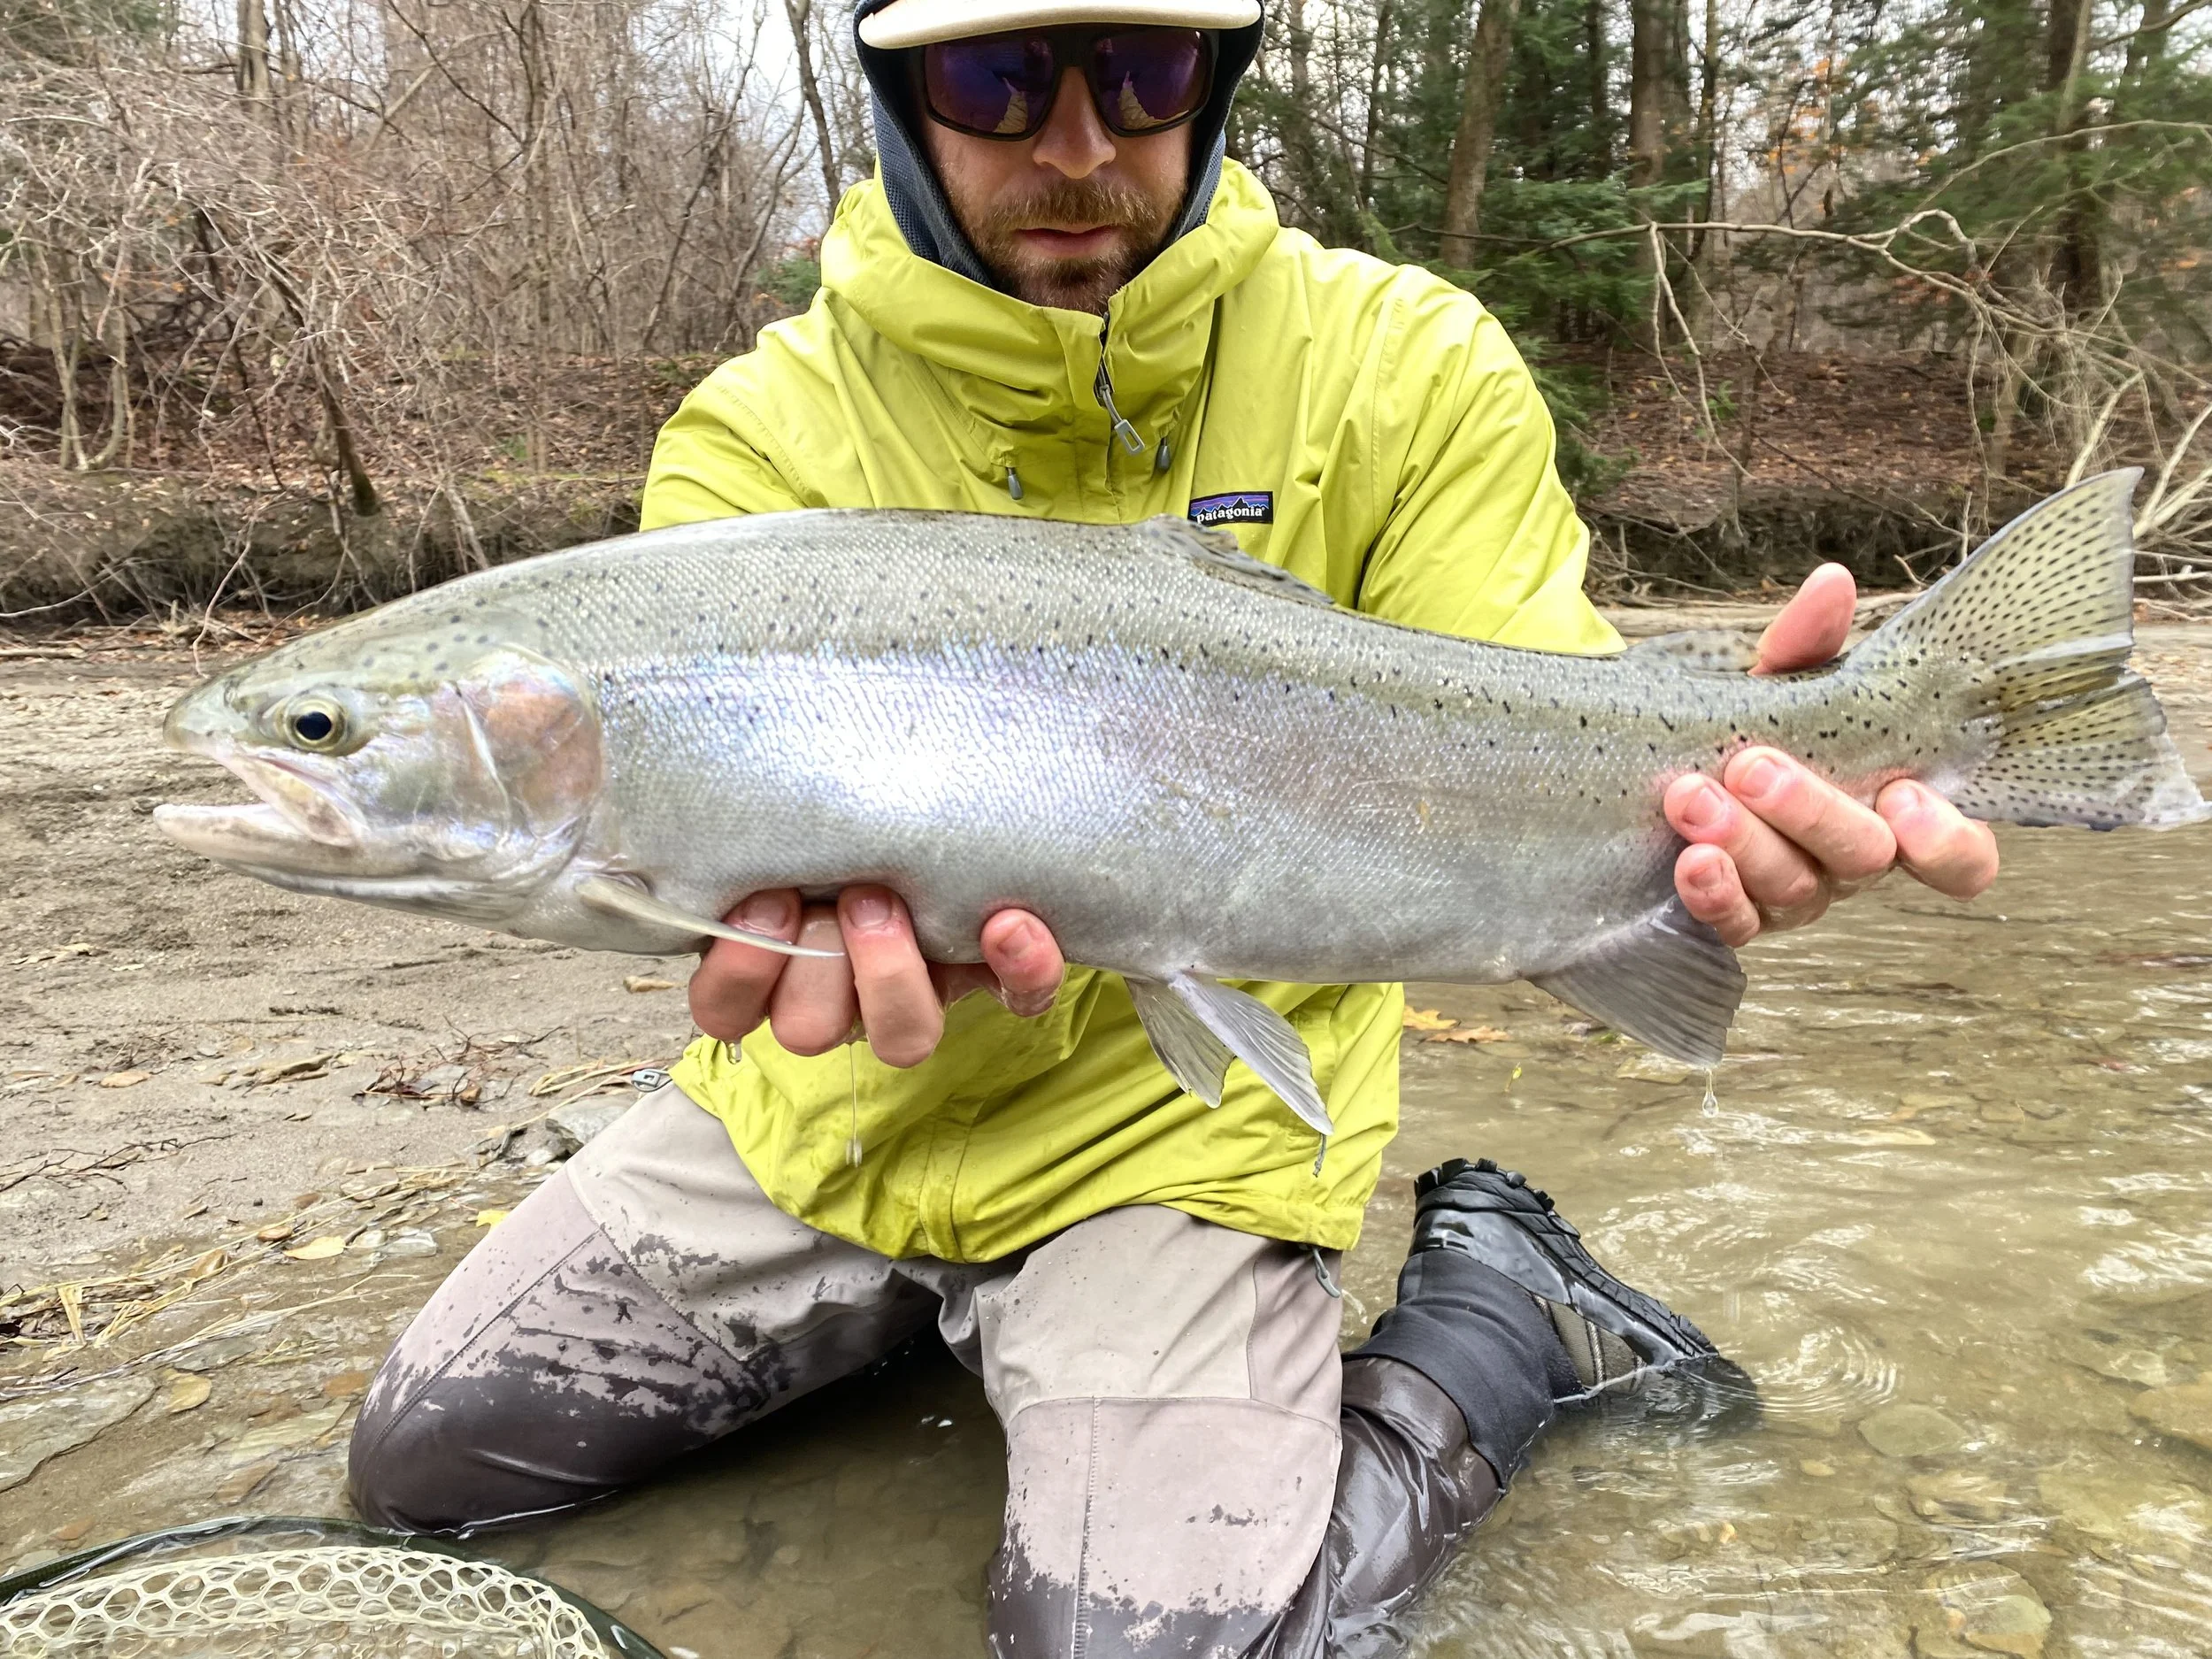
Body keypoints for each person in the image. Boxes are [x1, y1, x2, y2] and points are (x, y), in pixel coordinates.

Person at [348, 2, 2000, 1651]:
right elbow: (713, 911)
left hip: (1180, 1129)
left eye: (1142, 73)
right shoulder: (757, 432)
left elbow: (1544, 740)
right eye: (997, 79)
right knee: (425, 1475)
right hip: (829, 1109)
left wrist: (1737, 814)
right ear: (899, 99)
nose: (1079, 145)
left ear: (1211, 85)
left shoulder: (1404, 365)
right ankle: (951, 1329)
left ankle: (1502, 1319)